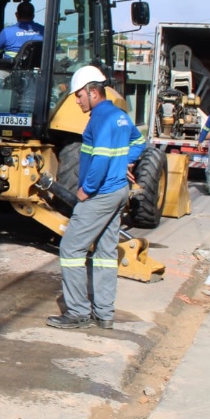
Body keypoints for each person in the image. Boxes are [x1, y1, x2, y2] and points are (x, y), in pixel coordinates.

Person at [48, 66, 145, 331]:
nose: (77, 100)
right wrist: (124, 161)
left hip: (100, 193)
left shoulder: (100, 119)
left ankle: (78, 313)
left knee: (71, 249)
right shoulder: (120, 116)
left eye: (79, 95)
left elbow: (101, 158)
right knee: (104, 252)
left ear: (93, 92)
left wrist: (86, 190)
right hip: (118, 191)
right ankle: (104, 314)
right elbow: (140, 142)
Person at [0, 1, 44, 68]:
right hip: (38, 73)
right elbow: (56, 49)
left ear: (16, 14)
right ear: (33, 16)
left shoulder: (7, 32)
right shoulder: (45, 31)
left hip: (11, 72)